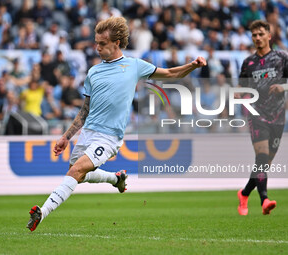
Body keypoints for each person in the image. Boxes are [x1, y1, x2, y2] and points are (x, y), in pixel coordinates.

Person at [26, 16, 206, 232]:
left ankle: (42, 213)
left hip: (109, 137)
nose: (97, 47)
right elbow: (85, 110)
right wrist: (66, 136)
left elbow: (169, 74)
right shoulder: (93, 72)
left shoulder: (133, 66)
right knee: (77, 173)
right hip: (88, 133)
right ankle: (116, 178)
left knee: (76, 171)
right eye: (96, 42)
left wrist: (192, 66)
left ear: (117, 43)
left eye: (102, 43)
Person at [237, 20, 288, 216]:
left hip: (278, 117)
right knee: (262, 157)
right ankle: (264, 199)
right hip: (257, 115)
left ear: (269, 36)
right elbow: (242, 87)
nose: (257, 38)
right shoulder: (248, 63)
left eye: (260, 34)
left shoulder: (281, 58)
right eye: (254, 35)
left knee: (264, 164)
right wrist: (238, 93)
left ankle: (244, 193)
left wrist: (283, 87)